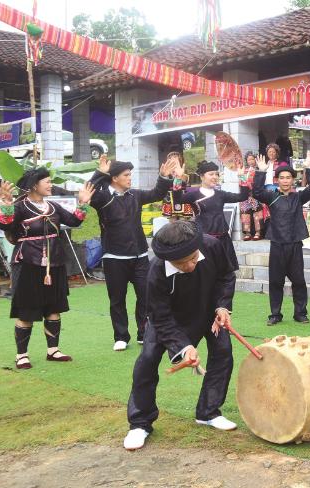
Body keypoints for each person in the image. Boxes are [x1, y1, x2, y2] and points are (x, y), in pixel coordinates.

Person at [124, 220, 239, 450]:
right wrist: (184, 346)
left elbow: (226, 276)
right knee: (147, 360)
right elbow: (161, 316)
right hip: (168, 318)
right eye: (181, 262)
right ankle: (140, 423)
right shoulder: (156, 271)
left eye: (194, 258)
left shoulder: (212, 245)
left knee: (223, 353)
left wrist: (222, 306)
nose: (189, 265)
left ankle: (208, 412)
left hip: (208, 310)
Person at [0, 169, 95, 369]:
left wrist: (83, 203)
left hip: (55, 264)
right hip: (28, 264)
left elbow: (74, 221)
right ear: (35, 185)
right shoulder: (20, 207)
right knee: (26, 310)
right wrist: (6, 206)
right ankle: (22, 355)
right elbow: (5, 225)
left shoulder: (53, 206)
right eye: (47, 182)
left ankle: (53, 350)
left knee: (54, 307)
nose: (51, 185)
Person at [89, 155, 177, 352]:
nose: (130, 178)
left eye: (130, 174)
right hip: (114, 258)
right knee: (117, 300)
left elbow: (156, 193)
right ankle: (121, 336)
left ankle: (143, 333)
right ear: (115, 178)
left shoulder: (135, 195)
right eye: (126, 175)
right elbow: (88, 192)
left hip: (140, 257)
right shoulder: (102, 197)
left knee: (146, 296)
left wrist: (163, 177)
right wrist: (99, 173)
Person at [253, 151, 310, 325]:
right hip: (277, 244)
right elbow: (257, 192)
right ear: (277, 180)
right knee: (275, 281)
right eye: (282, 178)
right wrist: (260, 172)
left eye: (288, 177)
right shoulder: (271, 196)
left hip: (295, 244)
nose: (285, 181)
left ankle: (300, 313)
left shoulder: (298, 197)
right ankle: (275, 314)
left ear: (293, 180)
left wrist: (309, 167)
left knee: (299, 281)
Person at [179, 160, 250, 269]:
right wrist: (179, 180)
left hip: (223, 239)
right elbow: (177, 199)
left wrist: (242, 177)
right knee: (207, 271)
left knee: (227, 271)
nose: (215, 177)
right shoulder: (194, 195)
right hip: (204, 241)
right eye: (211, 174)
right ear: (202, 176)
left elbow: (242, 197)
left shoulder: (221, 194)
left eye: (216, 174)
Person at [162, 151, 194, 221]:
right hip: (170, 202)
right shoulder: (166, 176)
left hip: (183, 204)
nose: (174, 166)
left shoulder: (185, 177)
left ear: (180, 164)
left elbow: (184, 184)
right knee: (172, 225)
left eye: (176, 163)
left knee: (183, 223)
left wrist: (179, 176)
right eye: (171, 164)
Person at [239, 151, 263, 241]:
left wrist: (249, 184)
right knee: (245, 213)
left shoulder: (258, 170)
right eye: (248, 159)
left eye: (252, 159)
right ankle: (247, 233)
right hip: (246, 195)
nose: (251, 161)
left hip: (255, 194)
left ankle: (258, 232)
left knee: (257, 213)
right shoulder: (244, 170)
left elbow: (259, 182)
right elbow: (241, 182)